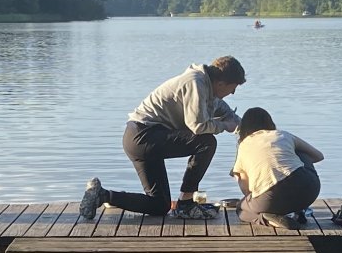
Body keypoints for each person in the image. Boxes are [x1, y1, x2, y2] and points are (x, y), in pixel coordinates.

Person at [80, 56, 246, 220]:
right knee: (206, 142)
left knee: (159, 205)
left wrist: (246, 129)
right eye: (233, 88)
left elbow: (224, 111)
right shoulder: (196, 83)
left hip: (140, 137)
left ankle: (102, 195)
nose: (233, 92)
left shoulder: (207, 87)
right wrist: (225, 125)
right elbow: (198, 126)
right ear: (221, 83)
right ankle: (186, 204)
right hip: (143, 135)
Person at [230, 106, 324, 227]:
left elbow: (246, 190)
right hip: (309, 191)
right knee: (301, 152)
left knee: (241, 209)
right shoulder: (282, 135)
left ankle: (267, 219)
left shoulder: (244, 146)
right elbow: (318, 156)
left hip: (271, 199)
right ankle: (298, 212)